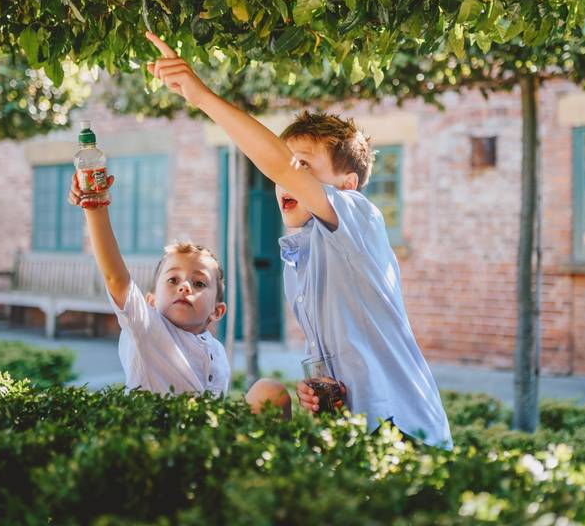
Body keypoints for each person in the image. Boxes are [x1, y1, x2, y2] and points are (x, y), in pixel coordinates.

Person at [145, 32, 451, 447]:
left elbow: (280, 166)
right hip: (355, 438)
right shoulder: (301, 257)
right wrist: (324, 391)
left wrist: (200, 96)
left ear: (347, 185)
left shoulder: (359, 215)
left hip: (407, 432)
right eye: (291, 167)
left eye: (305, 167)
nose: (283, 178)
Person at [69, 175, 291, 418]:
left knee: (271, 391)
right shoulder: (147, 329)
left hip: (206, 440)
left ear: (217, 312)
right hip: (159, 445)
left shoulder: (215, 350)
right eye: (173, 280)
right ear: (151, 302)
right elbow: (116, 278)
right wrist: (95, 209)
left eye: (199, 283)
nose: (185, 286)